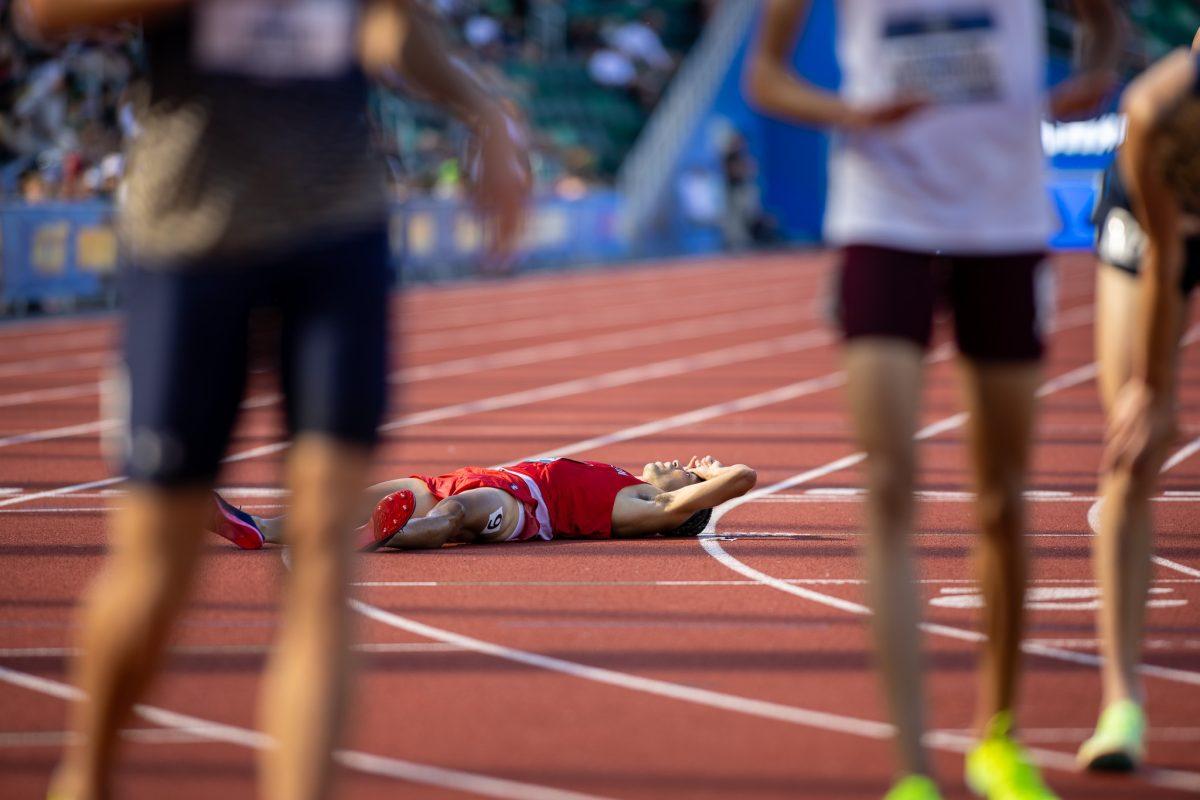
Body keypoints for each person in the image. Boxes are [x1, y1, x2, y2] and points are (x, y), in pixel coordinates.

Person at [17, 1, 530, 799]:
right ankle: (86, 777)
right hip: (193, 234)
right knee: (159, 569)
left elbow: (388, 18)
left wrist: (481, 113)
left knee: (324, 560)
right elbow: (46, 14)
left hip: (339, 231)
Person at [744, 2, 1119, 798]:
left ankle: (999, 739)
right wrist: (850, 112)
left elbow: (1106, 25)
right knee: (888, 486)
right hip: (883, 213)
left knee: (1001, 498)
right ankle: (911, 771)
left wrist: (1092, 68)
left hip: (1004, 221)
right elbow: (766, 77)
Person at [1080, 31, 1200, 772]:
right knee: (1134, 442)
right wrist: (1154, 391)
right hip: (1155, 225)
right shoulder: (1158, 110)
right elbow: (1165, 263)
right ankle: (1121, 703)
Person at [210, 455, 758, 550]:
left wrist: (705, 477)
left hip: (521, 508)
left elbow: (743, 476)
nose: (686, 459)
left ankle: (384, 537)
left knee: (451, 520)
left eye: (689, 471)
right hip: (474, 476)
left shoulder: (646, 504)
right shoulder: (625, 477)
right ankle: (258, 527)